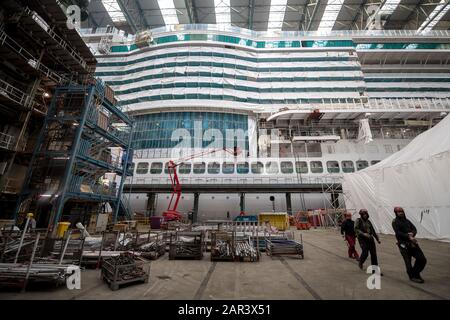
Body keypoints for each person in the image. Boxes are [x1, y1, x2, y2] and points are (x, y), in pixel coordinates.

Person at [392, 207, 427, 283]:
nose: (401, 213)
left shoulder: (407, 221)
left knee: (422, 259)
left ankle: (415, 273)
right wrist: (408, 236)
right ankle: (412, 277)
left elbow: (414, 229)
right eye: (399, 212)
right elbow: (398, 233)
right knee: (408, 262)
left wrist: (412, 234)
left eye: (401, 211)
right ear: (396, 213)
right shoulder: (395, 222)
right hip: (403, 245)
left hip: (413, 243)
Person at [355, 209, 382, 274]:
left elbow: (372, 230)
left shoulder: (368, 222)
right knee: (365, 253)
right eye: (363, 214)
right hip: (362, 239)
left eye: (366, 214)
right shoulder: (358, 220)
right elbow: (356, 229)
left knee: (374, 255)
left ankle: (375, 270)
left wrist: (377, 239)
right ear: (361, 215)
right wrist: (363, 234)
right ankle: (361, 262)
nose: (365, 215)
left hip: (370, 239)